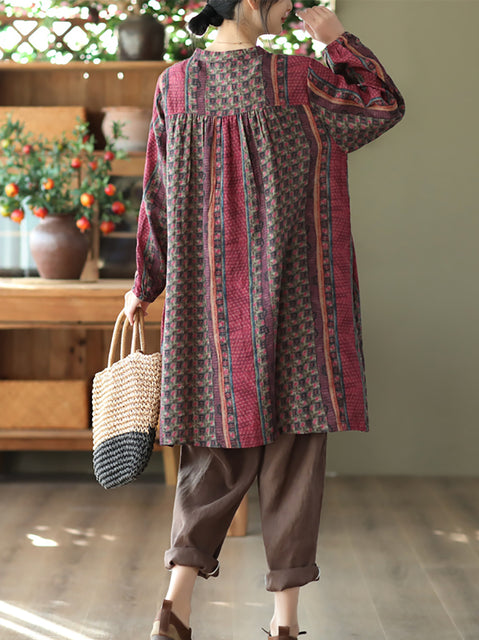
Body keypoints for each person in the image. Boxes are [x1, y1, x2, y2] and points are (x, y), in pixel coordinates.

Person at [124, 1, 405, 638]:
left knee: (214, 448)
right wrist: (336, 38)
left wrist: (146, 283)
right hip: (301, 298)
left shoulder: (176, 85)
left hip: (211, 306)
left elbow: (158, 194)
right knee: (296, 450)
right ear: (249, 2)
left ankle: (175, 605)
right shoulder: (300, 79)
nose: (293, 7)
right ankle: (284, 625)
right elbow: (382, 105)